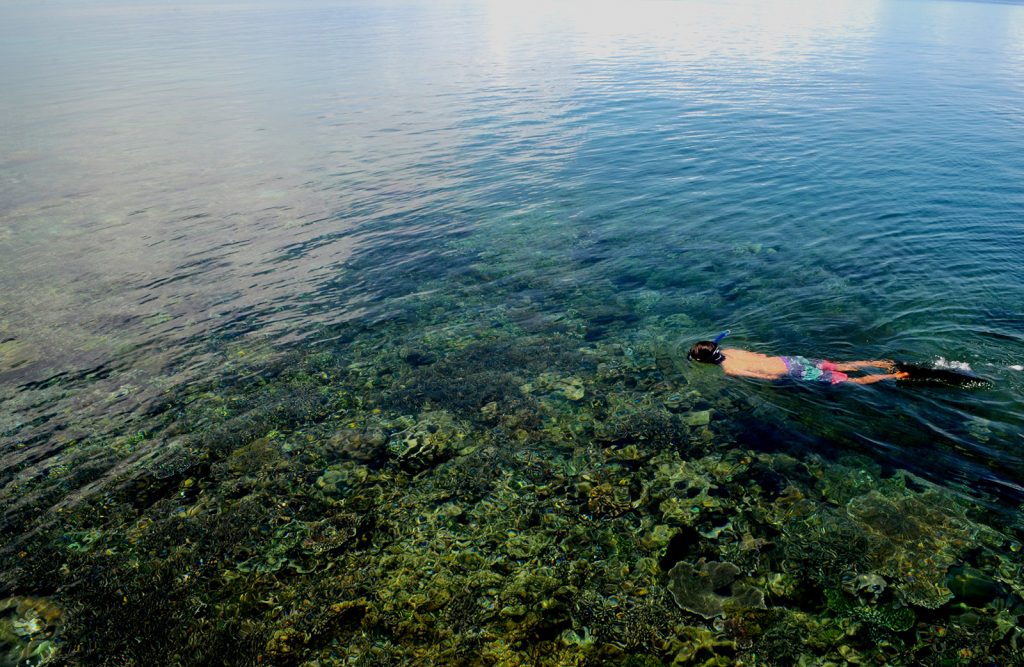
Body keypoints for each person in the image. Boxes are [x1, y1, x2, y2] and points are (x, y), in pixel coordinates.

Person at [687, 339, 909, 385]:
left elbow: (769, 376)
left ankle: (894, 375)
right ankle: (883, 363)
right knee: (842, 365)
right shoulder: (731, 351)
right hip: (790, 359)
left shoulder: (729, 369)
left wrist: (775, 380)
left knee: (852, 381)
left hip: (796, 373)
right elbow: (761, 357)